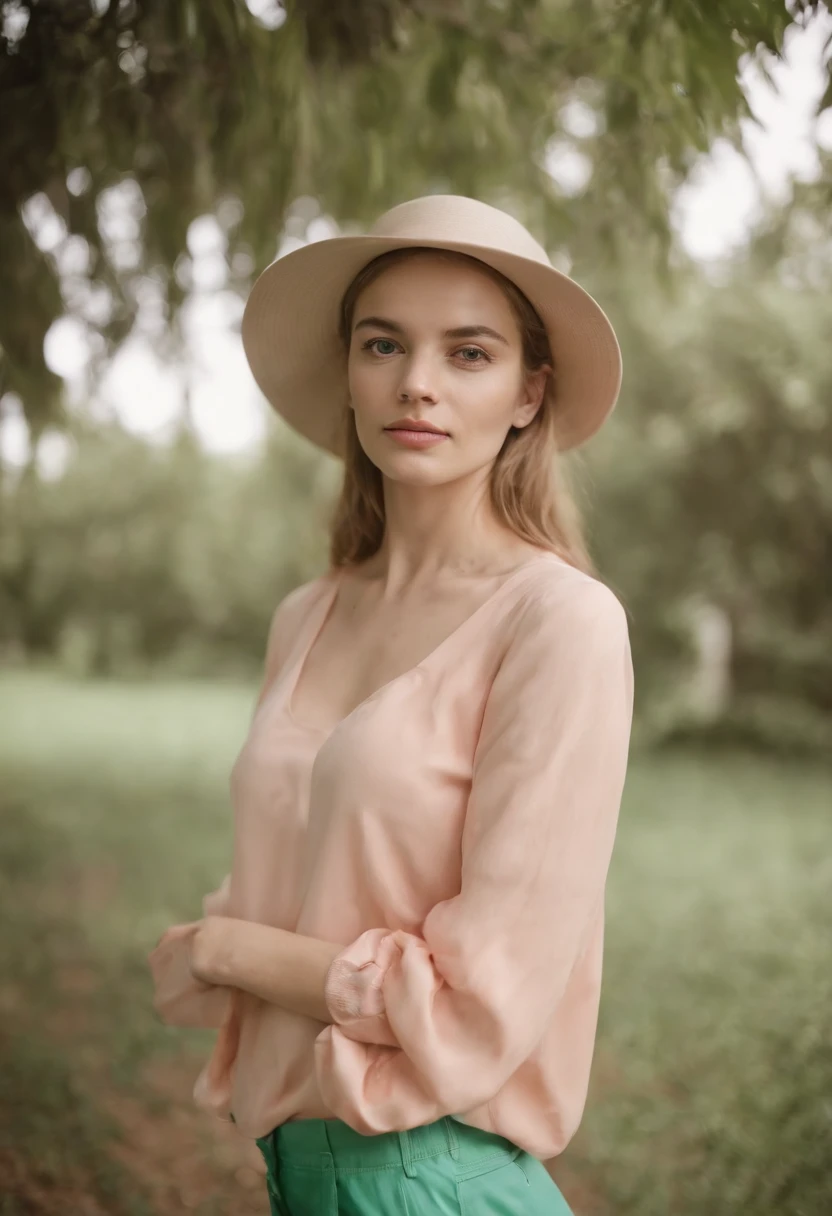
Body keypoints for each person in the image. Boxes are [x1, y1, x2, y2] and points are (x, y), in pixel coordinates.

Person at [148, 194, 634, 1216]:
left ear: (526, 392)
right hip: (295, 1169)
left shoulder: (558, 623)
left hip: (434, 1175)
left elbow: (481, 1003)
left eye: (468, 353)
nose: (416, 383)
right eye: (384, 344)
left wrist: (230, 952)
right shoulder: (307, 614)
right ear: (350, 373)